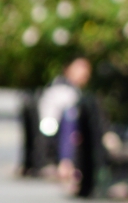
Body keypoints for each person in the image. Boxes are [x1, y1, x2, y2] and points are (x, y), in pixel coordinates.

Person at [37, 55, 93, 192]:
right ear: (68, 69)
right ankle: (67, 164)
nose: (84, 73)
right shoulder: (64, 90)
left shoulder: (63, 87)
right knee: (71, 118)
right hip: (54, 135)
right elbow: (67, 122)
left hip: (53, 133)